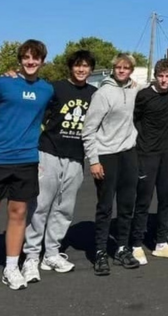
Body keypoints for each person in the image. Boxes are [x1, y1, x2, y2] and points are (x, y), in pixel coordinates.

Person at [21, 50, 97, 284]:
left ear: (91, 69)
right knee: (41, 205)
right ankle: (31, 256)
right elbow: (35, 105)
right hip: (49, 152)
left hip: (76, 157)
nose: (81, 70)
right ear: (71, 67)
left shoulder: (95, 94)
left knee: (65, 208)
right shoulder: (54, 88)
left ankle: (51, 253)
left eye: (85, 66)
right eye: (77, 66)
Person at [0, 39, 53, 290]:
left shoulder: (47, 90)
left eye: (36, 58)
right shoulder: (5, 82)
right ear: (20, 60)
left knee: (19, 214)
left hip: (26, 160)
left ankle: (11, 267)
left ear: (42, 61)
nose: (31, 62)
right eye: (26, 58)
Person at [82, 53, 141, 275]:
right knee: (105, 206)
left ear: (131, 70)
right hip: (106, 154)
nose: (122, 70)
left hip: (128, 153)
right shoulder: (103, 93)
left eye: (126, 68)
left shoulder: (135, 89)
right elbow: (88, 130)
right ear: (113, 68)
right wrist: (94, 161)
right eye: (118, 67)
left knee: (127, 205)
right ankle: (99, 252)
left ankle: (122, 249)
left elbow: (158, 88)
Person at [129, 58, 168, 264]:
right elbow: (133, 119)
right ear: (155, 76)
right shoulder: (143, 96)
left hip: (167, 153)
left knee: (166, 197)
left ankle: (161, 243)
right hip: (146, 153)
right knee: (143, 199)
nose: (163, 80)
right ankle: (135, 243)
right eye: (160, 76)